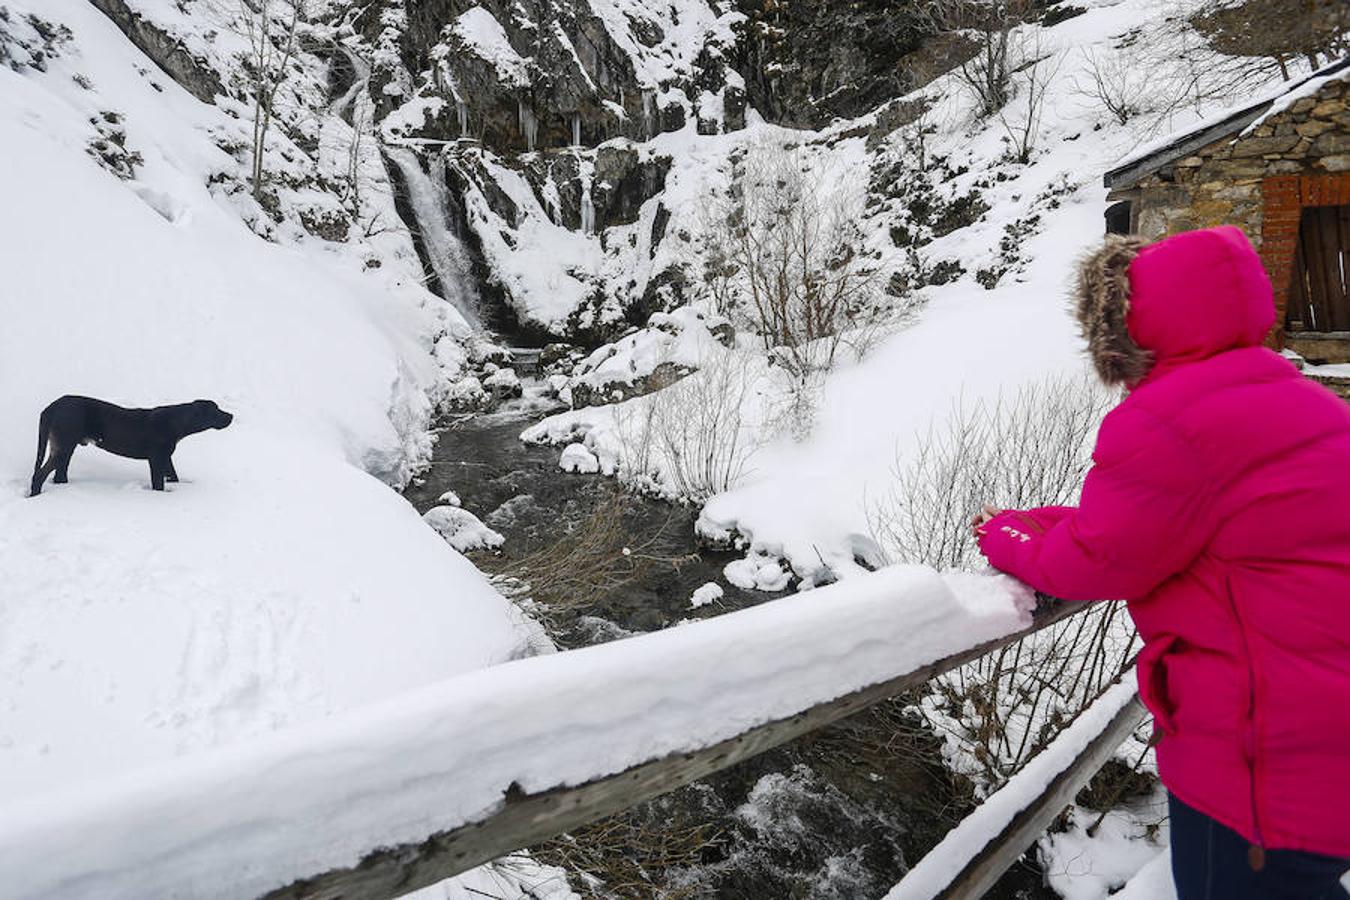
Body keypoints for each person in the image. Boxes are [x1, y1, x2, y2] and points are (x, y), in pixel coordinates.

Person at [972, 226, 1350, 900]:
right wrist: (1050, 522)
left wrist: (1004, 536)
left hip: (1266, 760)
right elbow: (1168, 528)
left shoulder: (1164, 422)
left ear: (1126, 330)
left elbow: (1099, 560)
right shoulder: (1307, 404)